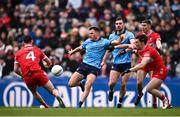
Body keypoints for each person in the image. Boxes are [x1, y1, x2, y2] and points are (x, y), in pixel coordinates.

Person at [68, 26, 123, 108]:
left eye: (91, 33)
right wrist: (72, 51)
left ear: (97, 33)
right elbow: (80, 47)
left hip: (94, 68)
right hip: (84, 65)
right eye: (89, 33)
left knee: (88, 84)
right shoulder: (87, 41)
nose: (89, 35)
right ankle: (80, 84)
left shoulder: (104, 42)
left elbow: (116, 42)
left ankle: (79, 104)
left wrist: (121, 38)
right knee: (71, 84)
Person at [121, 34, 172, 109]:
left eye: (137, 42)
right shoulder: (139, 47)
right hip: (154, 70)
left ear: (142, 42)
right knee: (150, 87)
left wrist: (129, 70)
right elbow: (128, 45)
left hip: (161, 71)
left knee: (149, 88)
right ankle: (164, 103)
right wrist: (115, 47)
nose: (135, 44)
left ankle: (165, 100)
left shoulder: (148, 51)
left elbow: (142, 64)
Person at [14, 36, 65, 108]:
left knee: (34, 92)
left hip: (27, 75)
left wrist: (22, 75)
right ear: (32, 41)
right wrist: (47, 65)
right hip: (38, 72)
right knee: (52, 89)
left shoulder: (18, 53)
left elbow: (15, 70)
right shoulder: (37, 50)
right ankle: (58, 97)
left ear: (23, 43)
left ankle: (46, 106)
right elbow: (49, 62)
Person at [102, 16, 135, 108]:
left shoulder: (129, 34)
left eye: (120, 23)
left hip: (127, 63)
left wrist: (125, 49)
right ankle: (111, 90)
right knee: (111, 83)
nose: (118, 25)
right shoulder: (112, 36)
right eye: (117, 24)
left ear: (123, 24)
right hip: (116, 63)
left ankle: (120, 101)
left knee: (123, 84)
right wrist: (104, 61)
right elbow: (109, 50)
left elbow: (133, 45)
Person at [135, 19, 163, 108]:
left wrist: (159, 47)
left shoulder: (155, 35)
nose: (143, 27)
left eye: (145, 25)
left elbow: (158, 42)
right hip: (142, 62)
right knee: (139, 82)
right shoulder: (139, 35)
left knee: (152, 83)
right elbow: (135, 45)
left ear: (149, 26)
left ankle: (154, 103)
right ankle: (140, 95)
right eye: (142, 25)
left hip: (152, 63)